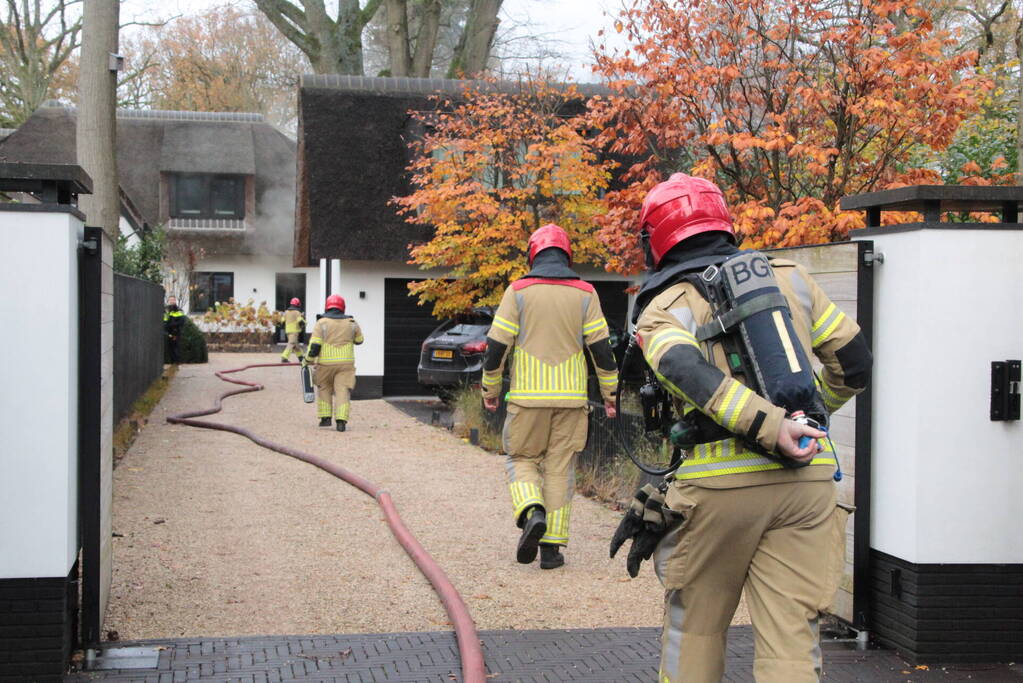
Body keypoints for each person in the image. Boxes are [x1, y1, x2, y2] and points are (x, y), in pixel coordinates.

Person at [611, 174, 872, 682]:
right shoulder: (792, 278)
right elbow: (855, 364)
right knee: (792, 641)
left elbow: (689, 374)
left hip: (718, 493)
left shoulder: (662, 309)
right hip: (808, 489)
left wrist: (772, 429)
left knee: (697, 630)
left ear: (656, 238)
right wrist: (805, 424)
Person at [482, 223, 620, 570]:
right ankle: (552, 551)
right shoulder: (586, 293)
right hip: (572, 401)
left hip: (527, 399)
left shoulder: (518, 291)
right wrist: (611, 395)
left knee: (520, 458)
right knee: (560, 470)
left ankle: (532, 511)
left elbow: (497, 346)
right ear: (567, 254)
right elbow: (602, 351)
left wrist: (490, 389)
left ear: (533, 253)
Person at [306, 294, 363, 432]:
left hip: (325, 364)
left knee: (324, 388)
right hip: (346, 364)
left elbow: (315, 345)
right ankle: (341, 422)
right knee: (342, 390)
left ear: (327, 306)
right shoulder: (352, 323)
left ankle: (325, 419)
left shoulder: (321, 323)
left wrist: (308, 360)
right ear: (343, 307)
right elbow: (360, 340)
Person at [280, 297, 306, 363]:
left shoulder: (286, 312)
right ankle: (284, 357)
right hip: (294, 331)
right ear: (297, 304)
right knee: (291, 344)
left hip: (288, 331)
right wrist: (303, 318)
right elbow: (300, 322)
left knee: (296, 346)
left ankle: (301, 358)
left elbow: (282, 321)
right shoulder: (297, 312)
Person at [163, 295, 186, 364]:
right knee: (170, 348)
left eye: (173, 300)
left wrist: (172, 324)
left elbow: (182, 321)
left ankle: (176, 362)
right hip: (168, 332)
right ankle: (172, 363)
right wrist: (165, 326)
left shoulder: (178, 310)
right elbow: (165, 320)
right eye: (170, 300)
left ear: (175, 301)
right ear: (168, 301)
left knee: (175, 347)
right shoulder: (166, 310)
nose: (171, 301)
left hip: (175, 331)